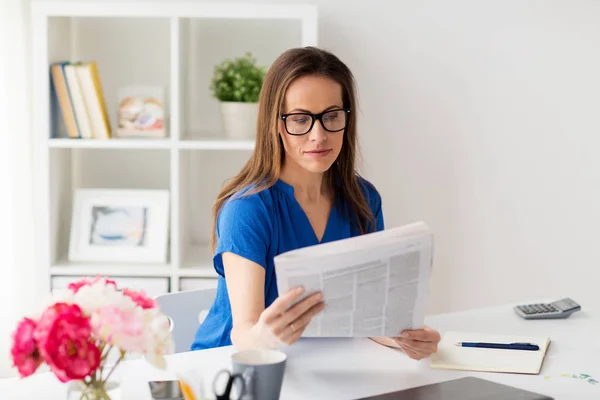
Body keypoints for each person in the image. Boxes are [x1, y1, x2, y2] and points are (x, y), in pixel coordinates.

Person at [191, 46, 441, 360]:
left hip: (317, 364)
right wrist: (268, 334)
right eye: (300, 119)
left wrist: (403, 338)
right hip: (230, 367)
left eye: (331, 116)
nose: (318, 135)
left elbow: (367, 315)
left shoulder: (364, 200)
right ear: (276, 124)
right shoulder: (247, 210)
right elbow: (244, 332)